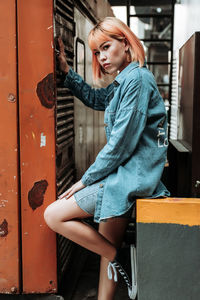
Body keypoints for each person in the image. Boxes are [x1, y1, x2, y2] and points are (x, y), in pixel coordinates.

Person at [44, 17, 170, 300]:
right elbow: (96, 99)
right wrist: (66, 73)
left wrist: (84, 181)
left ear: (126, 44)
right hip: (123, 176)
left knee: (54, 215)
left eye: (106, 47)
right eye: (97, 52)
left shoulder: (137, 80)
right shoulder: (125, 81)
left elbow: (121, 144)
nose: (101, 58)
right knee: (105, 252)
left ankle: (118, 254)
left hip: (128, 178)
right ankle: (115, 259)